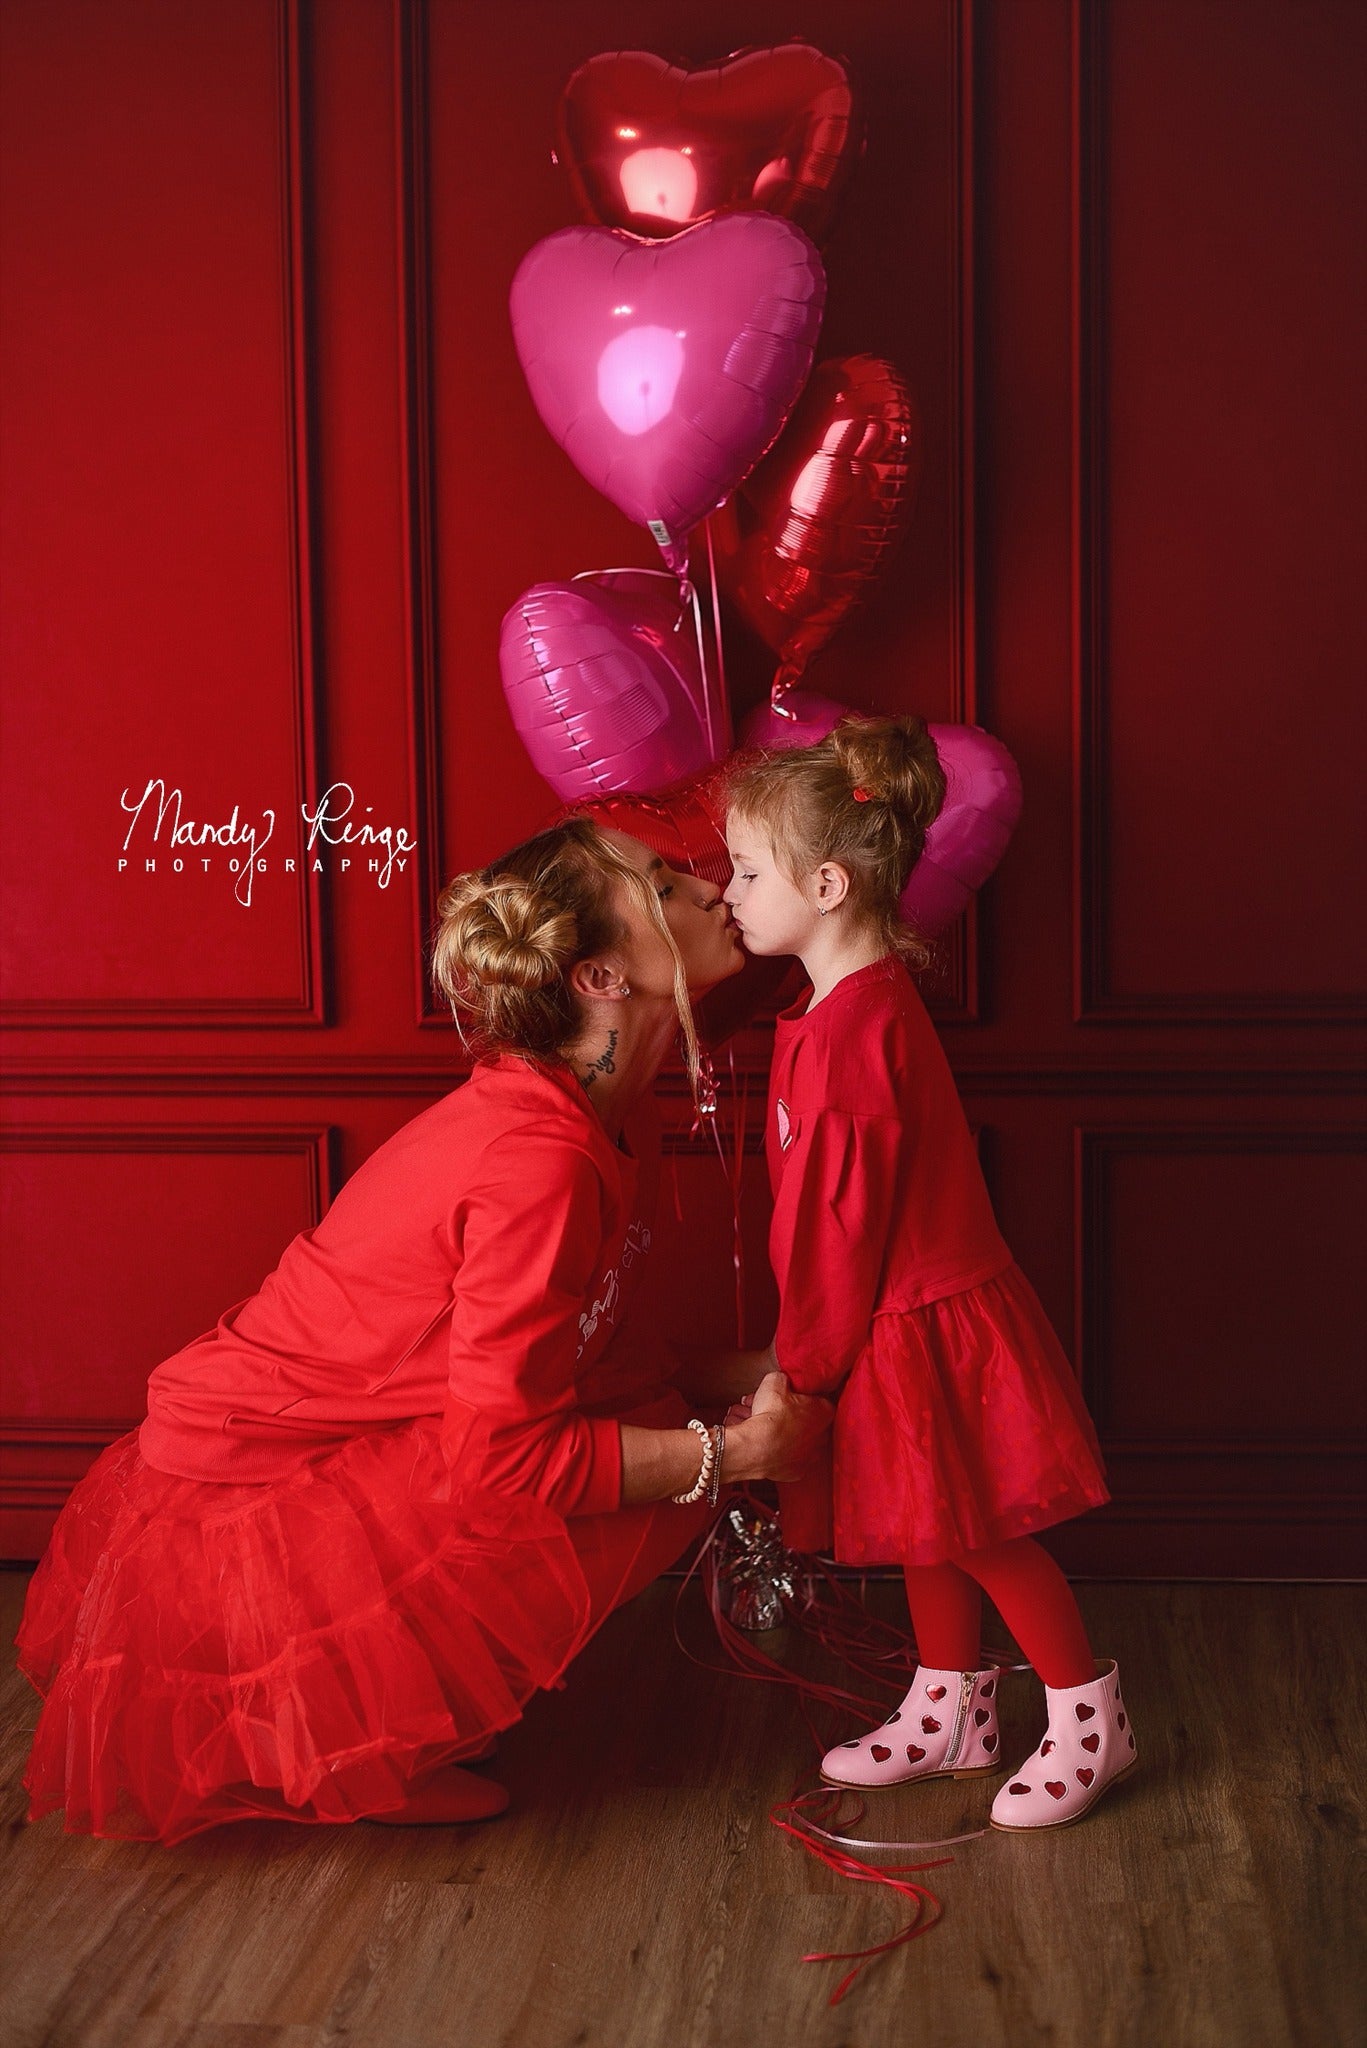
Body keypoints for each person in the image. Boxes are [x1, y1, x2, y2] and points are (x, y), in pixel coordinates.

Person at [17, 818, 832, 1844]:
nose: (707, 886)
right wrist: (739, 1452)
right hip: (251, 1486)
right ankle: (352, 1753)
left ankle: (390, 1719)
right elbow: (503, 1460)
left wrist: (760, 1369)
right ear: (599, 977)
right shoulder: (538, 1159)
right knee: (666, 1462)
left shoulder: (607, 1114)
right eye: (663, 885)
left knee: (656, 1417)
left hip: (347, 1435)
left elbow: (580, 1351)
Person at [722, 715, 1136, 1832]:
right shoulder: (834, 1013)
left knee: (973, 1527)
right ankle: (949, 1707)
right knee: (922, 1519)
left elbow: (837, 1226)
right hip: (886, 1315)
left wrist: (801, 1365)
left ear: (823, 882)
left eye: (746, 870)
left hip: (908, 1316)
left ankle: (1086, 1714)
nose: (728, 892)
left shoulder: (858, 1034)